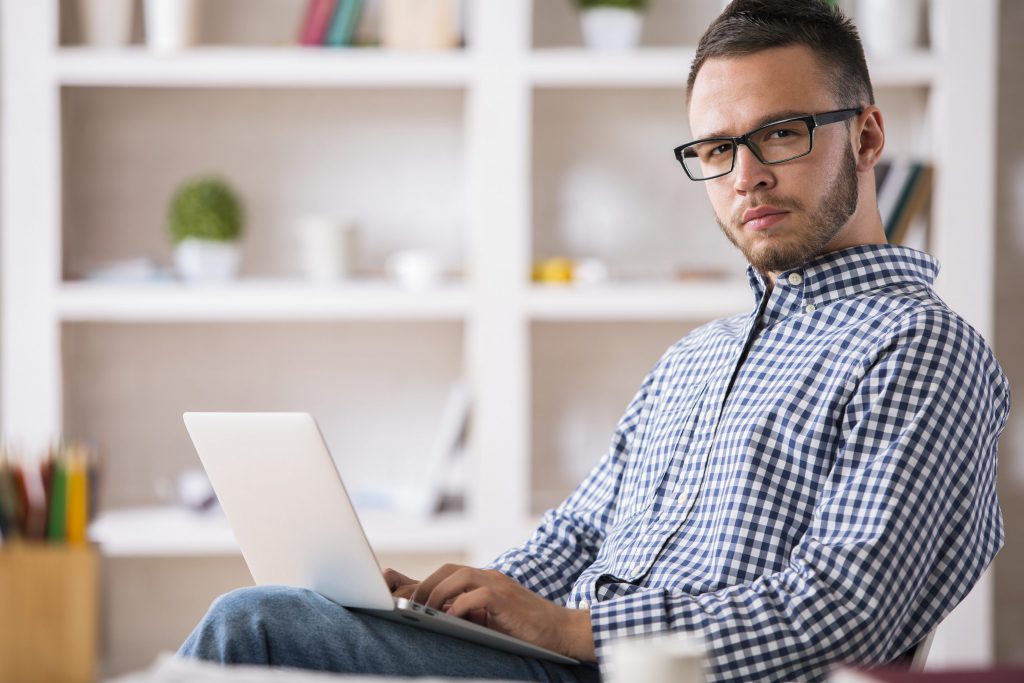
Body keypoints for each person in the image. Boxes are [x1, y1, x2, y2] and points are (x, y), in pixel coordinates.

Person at [178, 1, 1010, 681]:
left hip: (646, 672)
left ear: (866, 136)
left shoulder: (919, 346)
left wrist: (576, 627)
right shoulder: (695, 358)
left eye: (782, 133)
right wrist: (445, 606)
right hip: (571, 661)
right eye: (717, 149)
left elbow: (845, 609)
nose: (745, 175)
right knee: (294, 612)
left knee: (255, 628)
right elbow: (574, 536)